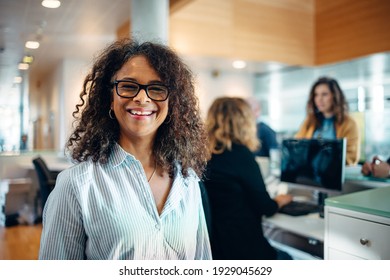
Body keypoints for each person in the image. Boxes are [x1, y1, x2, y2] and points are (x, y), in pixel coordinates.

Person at [38, 38, 212, 260]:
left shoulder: (186, 179)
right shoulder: (77, 185)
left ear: (172, 103)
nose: (142, 98)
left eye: (157, 88)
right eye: (128, 86)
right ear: (110, 98)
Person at [204, 97, 293, 260]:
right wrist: (281, 200)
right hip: (244, 250)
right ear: (244, 122)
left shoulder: (203, 156)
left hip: (216, 249)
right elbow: (265, 207)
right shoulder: (240, 155)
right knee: (289, 258)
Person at [295, 76, 360, 165]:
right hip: (309, 174)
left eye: (324, 94)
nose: (319, 99)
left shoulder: (349, 123)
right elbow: (297, 148)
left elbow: (351, 158)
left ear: (335, 96)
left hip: (333, 174)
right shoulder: (309, 121)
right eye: (316, 95)